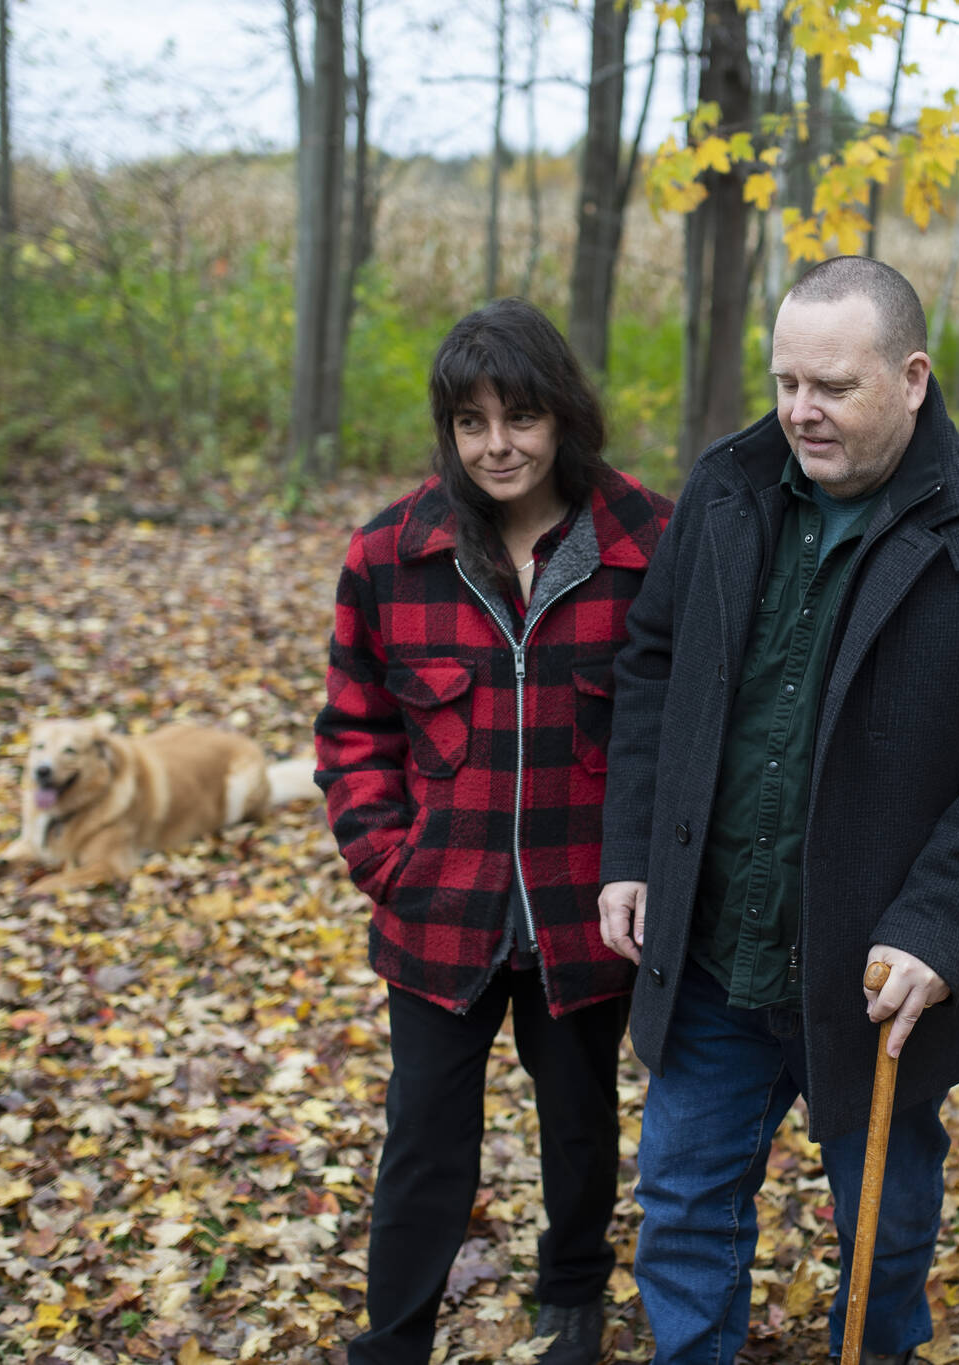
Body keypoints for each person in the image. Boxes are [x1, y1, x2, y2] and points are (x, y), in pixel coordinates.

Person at [595, 256, 959, 1364]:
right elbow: (653, 668)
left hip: (877, 981)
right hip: (717, 949)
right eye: (784, 383)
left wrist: (940, 929)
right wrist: (630, 848)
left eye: (831, 387)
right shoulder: (726, 488)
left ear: (911, 377)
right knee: (679, 1210)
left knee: (884, 1236)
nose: (799, 413)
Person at [315, 297, 673, 1365]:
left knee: (578, 1124)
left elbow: (678, 724)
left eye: (518, 417)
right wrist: (389, 862)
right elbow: (351, 726)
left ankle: (570, 1303)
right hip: (441, 912)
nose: (496, 445)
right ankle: (394, 1338)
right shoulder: (391, 552)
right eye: (470, 423)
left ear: (561, 413)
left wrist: (644, 866)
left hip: (586, 909)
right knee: (423, 1140)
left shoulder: (645, 542)